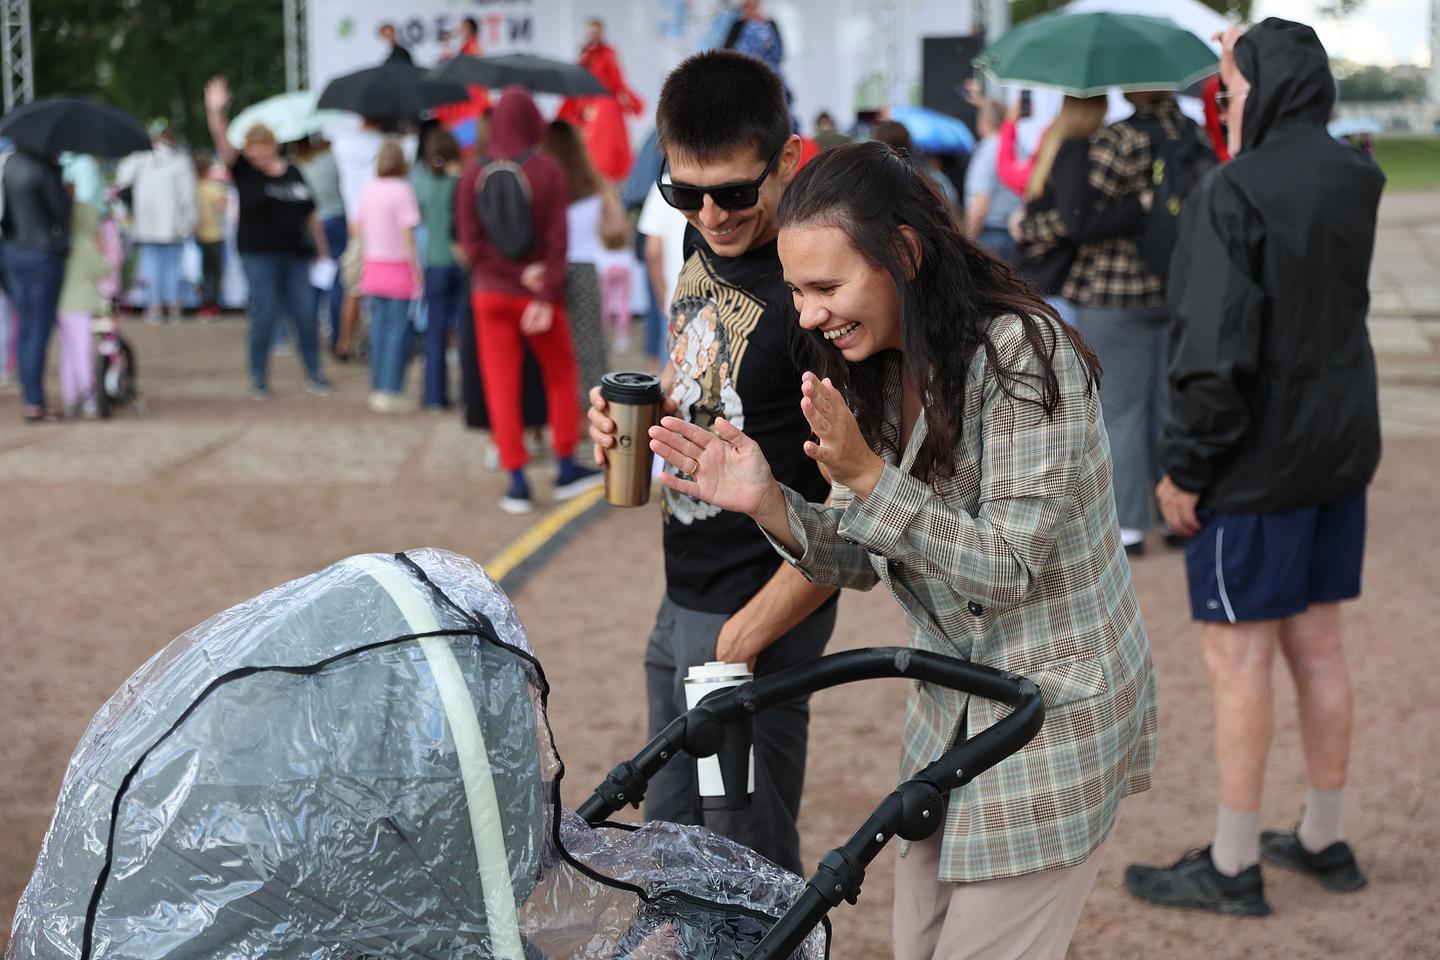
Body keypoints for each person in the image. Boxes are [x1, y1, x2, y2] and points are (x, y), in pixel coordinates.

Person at [645, 139, 1157, 959]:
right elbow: (859, 556)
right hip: (950, 719)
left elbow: (1007, 570)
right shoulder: (876, 364)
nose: (807, 314)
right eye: (796, 290)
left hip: (1048, 718)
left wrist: (870, 477)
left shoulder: (1024, 355)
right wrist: (769, 502)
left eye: (825, 287)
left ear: (905, 255)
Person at [1125, 18, 1385, 917]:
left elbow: (1214, 352)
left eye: (1231, 84)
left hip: (1256, 463)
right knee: (1318, 647)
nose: (1223, 98)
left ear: (1265, 88)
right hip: (1334, 452)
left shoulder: (1231, 192)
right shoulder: (1355, 175)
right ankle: (1324, 834)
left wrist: (1184, 471)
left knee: (1240, 664)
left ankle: (1234, 866)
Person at [585, 50, 839, 877]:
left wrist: (744, 639)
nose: (712, 214)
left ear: (789, 160)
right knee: (670, 851)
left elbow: (860, 513)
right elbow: (705, 373)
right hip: (683, 600)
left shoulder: (816, 293)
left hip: (752, 615)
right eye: (684, 193)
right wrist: (640, 413)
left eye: (734, 192)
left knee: (745, 865)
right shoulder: (702, 246)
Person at [1048, 89, 1206, 556]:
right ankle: (1175, 515)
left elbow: (1081, 217)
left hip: (1114, 292)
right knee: (1167, 405)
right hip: (1176, 285)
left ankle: (1129, 525)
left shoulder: (1120, 139)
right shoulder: (1193, 135)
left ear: (1138, 88)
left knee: (1120, 410)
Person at [455, 87, 601, 514]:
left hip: (489, 296)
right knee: (560, 374)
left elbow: (471, 246)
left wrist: (511, 273)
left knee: (501, 385)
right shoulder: (548, 169)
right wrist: (541, 289)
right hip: (538, 298)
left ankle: (516, 481)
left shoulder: (471, 175)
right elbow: (560, 242)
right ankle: (564, 467)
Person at [204, 75, 332, 398]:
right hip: (259, 254)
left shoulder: (292, 172)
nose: (258, 152)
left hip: (296, 254)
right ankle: (258, 378)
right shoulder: (245, 172)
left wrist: (321, 246)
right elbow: (221, 139)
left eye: (263, 146)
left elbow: (310, 212)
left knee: (305, 314)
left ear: (273, 144)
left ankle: (315, 374)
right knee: (263, 314)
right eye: (252, 147)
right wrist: (216, 111)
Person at [1009, 95, 1144, 329]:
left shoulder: (1056, 143)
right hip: (1056, 279)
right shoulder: (1076, 149)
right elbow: (1075, 219)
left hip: (1037, 274)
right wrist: (1138, 206)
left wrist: (1025, 226)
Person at [540, 118, 628, 406]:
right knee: (589, 346)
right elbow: (617, 233)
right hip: (586, 269)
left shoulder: (543, 183)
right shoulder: (593, 183)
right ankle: (589, 409)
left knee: (550, 347)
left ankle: (553, 411)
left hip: (549, 269)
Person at [1, 146, 72, 420]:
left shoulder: (8, 165)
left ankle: (30, 395)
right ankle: (34, 400)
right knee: (37, 329)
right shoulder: (43, 168)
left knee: (25, 325)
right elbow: (61, 213)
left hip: (13, 251)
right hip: (42, 253)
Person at [353, 140, 422, 413]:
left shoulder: (368, 190)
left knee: (379, 331)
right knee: (397, 332)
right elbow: (408, 234)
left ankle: (377, 387)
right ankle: (392, 390)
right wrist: (417, 269)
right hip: (398, 267)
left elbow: (357, 228)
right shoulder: (402, 190)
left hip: (373, 266)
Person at [117, 126, 197, 323]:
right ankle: (173, 305)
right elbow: (188, 195)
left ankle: (153, 306)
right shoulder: (181, 160)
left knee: (150, 264)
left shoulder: (139, 158)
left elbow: (122, 179)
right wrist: (190, 221)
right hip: (172, 223)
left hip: (146, 221)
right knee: (173, 265)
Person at [413, 127, 467, 411]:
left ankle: (434, 395)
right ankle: (470, 394)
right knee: (465, 330)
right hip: (460, 261)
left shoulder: (422, 183)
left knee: (435, 332)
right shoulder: (461, 181)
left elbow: (420, 215)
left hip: (435, 261)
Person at [56, 193, 110, 418]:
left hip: (60, 305)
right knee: (83, 352)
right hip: (80, 307)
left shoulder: (61, 239)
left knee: (66, 354)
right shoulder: (84, 243)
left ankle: (69, 398)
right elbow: (104, 268)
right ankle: (89, 397)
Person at [294, 136, 346, 344]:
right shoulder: (330, 158)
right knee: (335, 281)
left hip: (310, 224)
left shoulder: (297, 164)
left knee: (313, 282)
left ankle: (309, 334)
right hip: (335, 219)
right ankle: (336, 333)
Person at [963, 99, 1023, 264]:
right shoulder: (1019, 146)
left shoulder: (989, 149)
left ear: (985, 121)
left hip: (991, 237)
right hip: (1017, 234)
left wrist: (966, 242)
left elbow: (981, 201)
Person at [194, 153, 229, 318]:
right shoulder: (213, 188)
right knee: (214, 273)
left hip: (200, 235)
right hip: (215, 234)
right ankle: (212, 303)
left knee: (203, 271)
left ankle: (204, 303)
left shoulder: (194, 188)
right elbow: (225, 205)